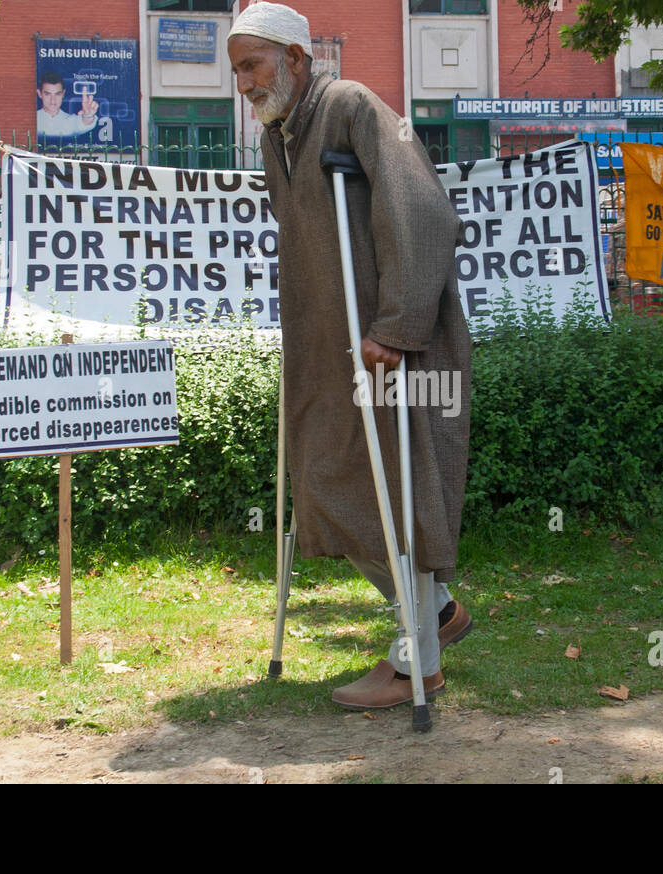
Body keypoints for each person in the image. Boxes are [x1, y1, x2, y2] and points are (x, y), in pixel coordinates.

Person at [227, 3, 472, 711]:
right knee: (332, 480)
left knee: (400, 490)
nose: (244, 83)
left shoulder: (352, 107)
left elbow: (421, 210)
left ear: (296, 59)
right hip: (333, 344)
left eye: (254, 65)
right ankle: (443, 612)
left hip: (395, 343)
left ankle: (415, 666)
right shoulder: (283, 132)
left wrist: (397, 328)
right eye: (238, 69)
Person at [36, 71, 100, 138]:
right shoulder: (33, 120)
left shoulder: (71, 121)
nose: (53, 100)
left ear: (63, 93)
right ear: (39, 93)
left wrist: (88, 115)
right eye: (47, 94)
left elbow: (84, 123)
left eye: (57, 94)